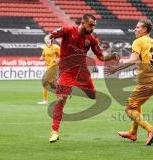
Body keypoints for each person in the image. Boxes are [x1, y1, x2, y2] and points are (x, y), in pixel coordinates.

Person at [45, 14, 119, 143]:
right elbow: (49, 36)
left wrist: (112, 56)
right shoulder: (68, 30)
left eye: (94, 26)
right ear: (83, 22)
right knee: (61, 99)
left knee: (92, 96)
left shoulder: (91, 40)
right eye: (91, 25)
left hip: (82, 73)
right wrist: (49, 40)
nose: (93, 28)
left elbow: (101, 57)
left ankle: (76, 88)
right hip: (66, 71)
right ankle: (54, 131)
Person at [105, 19, 153, 146]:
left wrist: (116, 68)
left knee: (129, 108)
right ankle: (132, 132)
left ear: (145, 30)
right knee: (136, 105)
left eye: (137, 27)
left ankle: (150, 129)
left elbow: (132, 60)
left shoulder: (138, 42)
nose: (135, 29)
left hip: (147, 82)